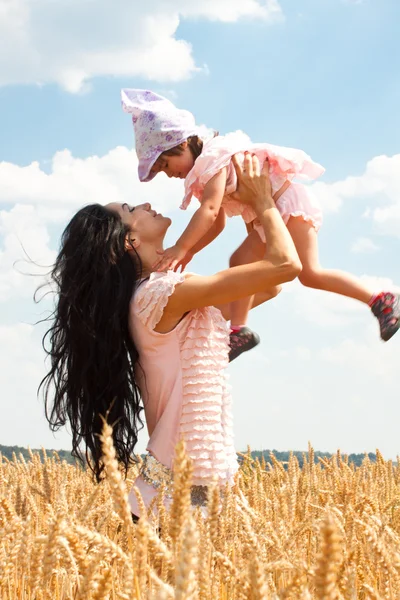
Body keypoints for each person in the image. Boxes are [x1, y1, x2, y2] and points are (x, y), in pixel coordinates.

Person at [40, 154, 301, 519]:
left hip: (182, 489)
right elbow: (286, 266)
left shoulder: (156, 295)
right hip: (172, 498)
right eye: (132, 208)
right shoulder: (158, 297)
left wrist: (251, 213)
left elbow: (270, 287)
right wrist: (261, 201)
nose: (145, 203)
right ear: (129, 240)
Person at [121, 89, 400, 361]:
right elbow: (216, 223)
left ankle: (380, 298)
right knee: (240, 259)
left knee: (310, 273)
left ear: (181, 143)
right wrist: (192, 250)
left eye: (166, 165)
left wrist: (181, 247)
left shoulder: (212, 159)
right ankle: (239, 330)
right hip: (268, 217)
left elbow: (208, 210)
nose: (170, 175)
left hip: (287, 205)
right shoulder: (203, 172)